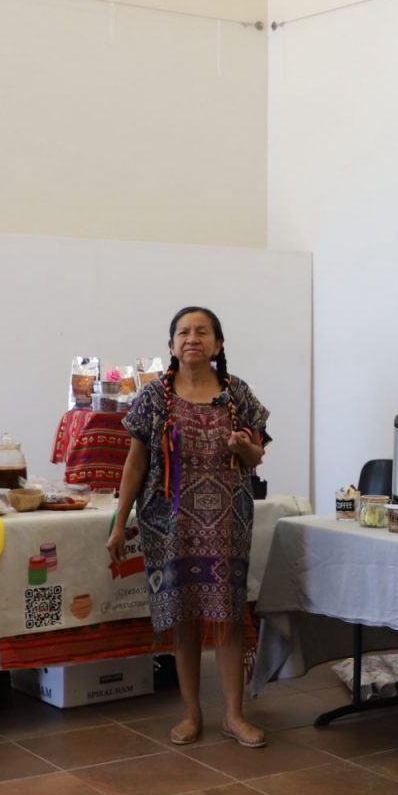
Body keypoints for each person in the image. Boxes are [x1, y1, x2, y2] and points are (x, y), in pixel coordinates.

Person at [108, 306, 270, 749]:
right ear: (171, 345)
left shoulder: (237, 394)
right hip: (167, 524)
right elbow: (135, 464)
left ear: (218, 344)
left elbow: (256, 457)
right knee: (182, 615)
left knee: (228, 615)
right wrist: (119, 524)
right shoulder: (153, 397)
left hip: (228, 522)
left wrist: (243, 446)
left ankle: (233, 716)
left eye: (202, 332)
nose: (192, 338)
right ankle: (191, 713)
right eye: (183, 332)